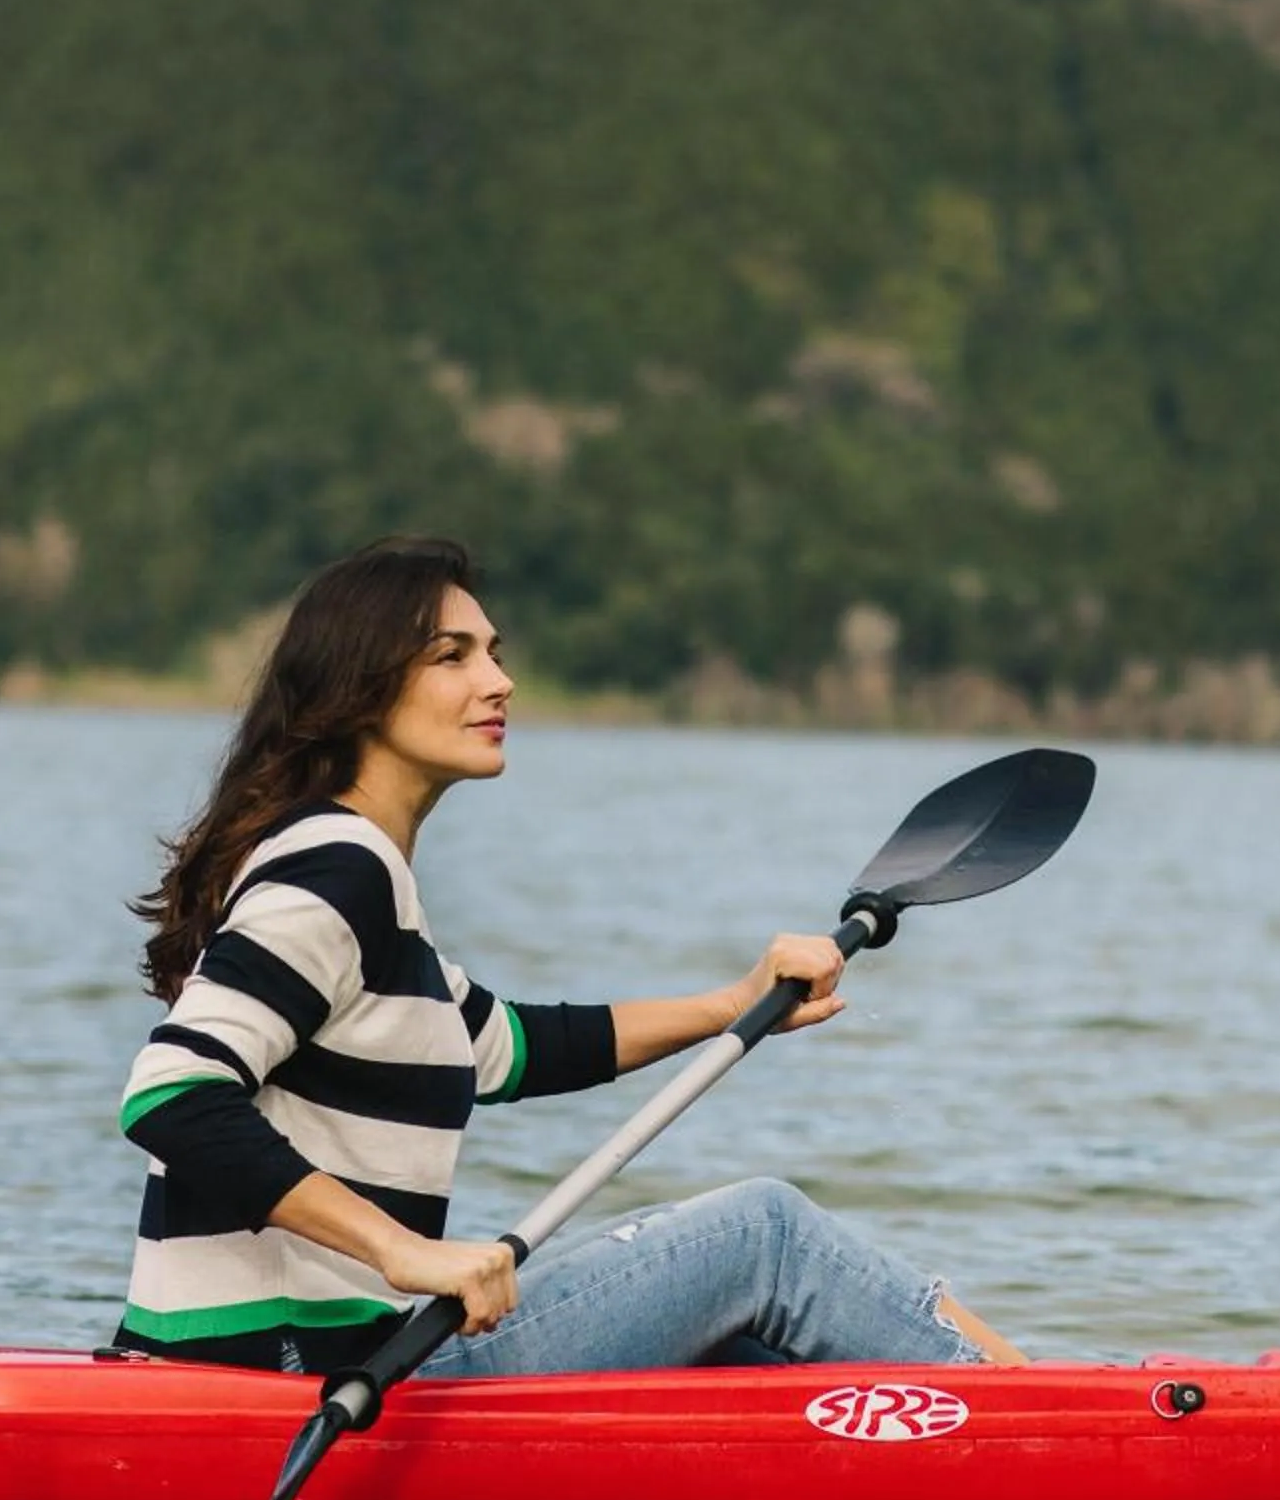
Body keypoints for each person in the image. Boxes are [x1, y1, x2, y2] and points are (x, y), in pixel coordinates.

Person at [113, 535, 1026, 1378]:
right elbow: (174, 1095)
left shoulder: (366, 884)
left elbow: (515, 1046)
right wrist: (405, 1252)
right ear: (359, 689)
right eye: (453, 656)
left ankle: (1002, 1423)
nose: (499, 681)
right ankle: (1056, 1418)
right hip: (301, 1379)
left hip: (331, 1366)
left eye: (493, 651)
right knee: (766, 1235)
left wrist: (739, 1001)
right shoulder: (335, 869)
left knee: (737, 1341)